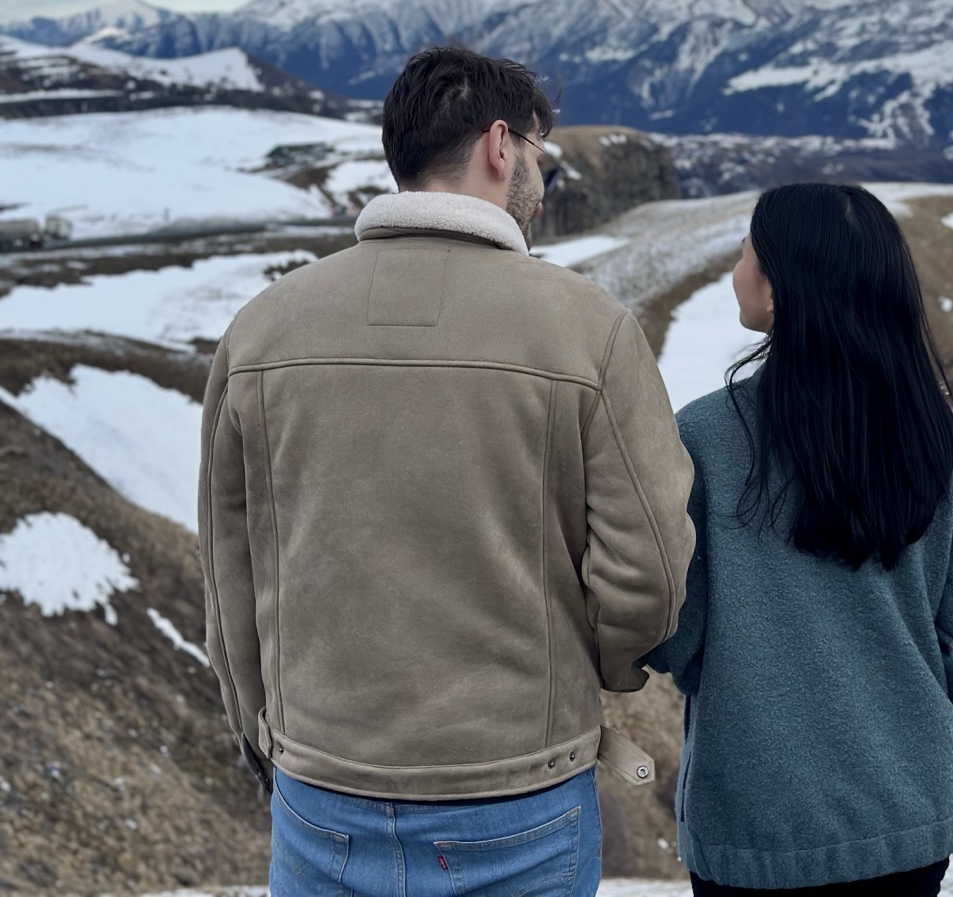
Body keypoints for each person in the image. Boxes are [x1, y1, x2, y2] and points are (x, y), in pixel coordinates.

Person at [199, 45, 695, 897]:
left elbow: (231, 574)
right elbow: (647, 572)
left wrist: (271, 738)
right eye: (538, 150)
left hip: (322, 788)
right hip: (516, 786)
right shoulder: (587, 329)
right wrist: (598, 673)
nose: (540, 171)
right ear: (500, 146)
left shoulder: (263, 330)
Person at [646, 183, 953, 897]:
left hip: (753, 821)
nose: (737, 268)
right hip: (905, 815)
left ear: (782, 289)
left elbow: (670, 632)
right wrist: (889, 692)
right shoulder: (942, 443)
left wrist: (745, 684)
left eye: (746, 251)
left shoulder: (705, 437)